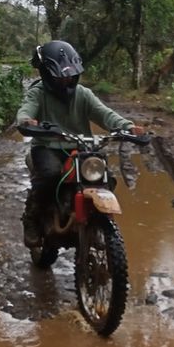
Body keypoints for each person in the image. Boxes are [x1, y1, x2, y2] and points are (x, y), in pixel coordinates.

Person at [16, 40, 145, 248]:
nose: (67, 79)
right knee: (49, 176)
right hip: (47, 147)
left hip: (80, 148)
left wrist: (127, 127)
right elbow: (26, 109)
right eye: (61, 76)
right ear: (47, 74)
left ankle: (97, 223)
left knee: (106, 179)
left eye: (70, 75)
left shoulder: (83, 94)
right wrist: (26, 121)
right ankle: (31, 219)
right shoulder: (38, 93)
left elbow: (104, 114)